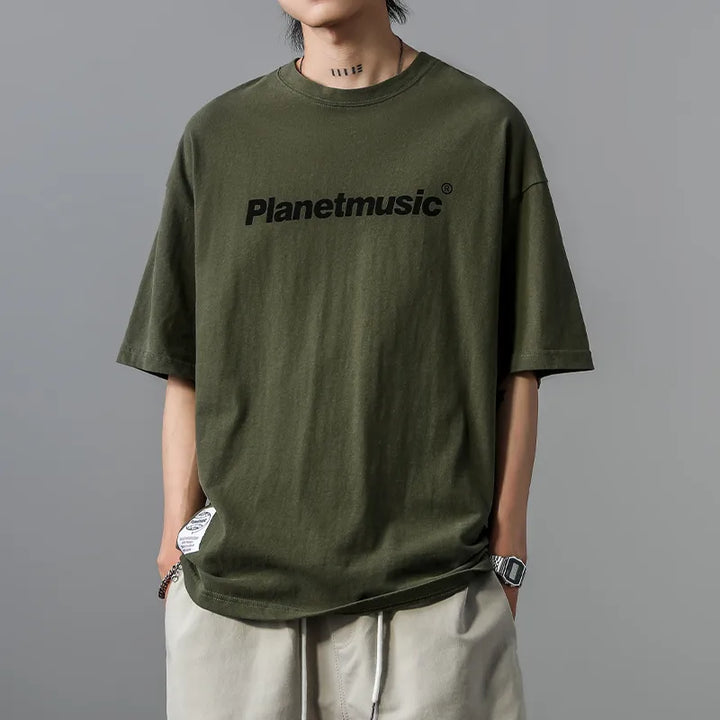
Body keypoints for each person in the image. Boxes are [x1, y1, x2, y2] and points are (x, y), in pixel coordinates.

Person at [115, 2, 595, 718]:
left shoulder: (482, 128)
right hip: (234, 598)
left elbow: (522, 363)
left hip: (434, 589)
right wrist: (172, 543)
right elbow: (185, 360)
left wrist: (508, 552)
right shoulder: (219, 137)